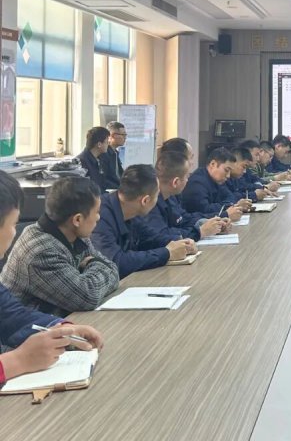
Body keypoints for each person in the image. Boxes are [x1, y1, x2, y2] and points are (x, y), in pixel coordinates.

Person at [0, 171, 103, 386]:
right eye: (13, 224)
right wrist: (17, 361)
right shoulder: (40, 249)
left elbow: (11, 314)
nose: (14, 232)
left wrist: (61, 328)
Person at [1, 177, 119, 316]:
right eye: (97, 212)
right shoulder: (41, 251)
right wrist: (92, 263)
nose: (99, 217)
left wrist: (92, 265)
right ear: (77, 219)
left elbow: (113, 269)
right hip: (28, 326)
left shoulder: (77, 236)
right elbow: (88, 296)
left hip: (58, 320)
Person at [92, 164, 193, 278]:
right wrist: (167, 253)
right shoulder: (100, 216)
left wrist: (181, 243)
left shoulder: (131, 209)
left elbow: (149, 238)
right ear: (145, 201)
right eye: (157, 195)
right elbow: (115, 262)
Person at [146, 151, 229, 243]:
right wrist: (200, 232)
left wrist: (206, 223)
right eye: (186, 176)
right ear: (175, 182)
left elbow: (183, 218)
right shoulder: (150, 203)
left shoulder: (170, 197)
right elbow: (162, 235)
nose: (188, 180)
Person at [181, 148, 249, 220]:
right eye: (226, 170)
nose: (228, 176)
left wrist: (231, 206)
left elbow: (230, 196)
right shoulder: (197, 183)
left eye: (230, 171)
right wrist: (227, 210)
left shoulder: (217, 179)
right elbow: (205, 210)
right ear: (213, 164)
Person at [76, 126, 111, 192]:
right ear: (99, 144)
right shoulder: (81, 162)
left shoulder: (100, 158)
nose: (108, 144)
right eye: (107, 142)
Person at [99, 121, 126, 190]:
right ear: (112, 136)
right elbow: (104, 179)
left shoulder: (115, 153)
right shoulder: (104, 154)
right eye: (122, 135)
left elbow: (119, 174)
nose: (125, 138)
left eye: (125, 135)